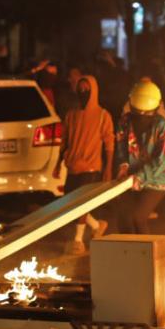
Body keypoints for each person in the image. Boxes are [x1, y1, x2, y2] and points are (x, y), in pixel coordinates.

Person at [54, 75, 114, 255]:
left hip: (91, 167)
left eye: (87, 89)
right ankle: (97, 226)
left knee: (80, 204)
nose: (83, 92)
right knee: (71, 205)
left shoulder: (103, 115)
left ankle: (78, 241)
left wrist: (108, 167)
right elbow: (64, 141)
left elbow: (109, 144)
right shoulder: (71, 115)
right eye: (80, 89)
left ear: (94, 91)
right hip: (72, 167)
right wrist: (58, 164)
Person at [114, 81, 165, 234]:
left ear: (156, 108)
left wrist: (141, 177)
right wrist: (123, 166)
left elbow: (163, 159)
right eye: (137, 112)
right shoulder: (125, 121)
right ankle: (127, 254)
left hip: (157, 180)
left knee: (138, 217)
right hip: (131, 177)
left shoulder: (161, 126)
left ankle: (147, 256)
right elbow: (121, 145)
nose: (141, 117)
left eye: (146, 113)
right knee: (123, 218)